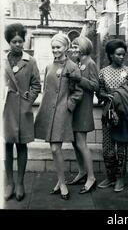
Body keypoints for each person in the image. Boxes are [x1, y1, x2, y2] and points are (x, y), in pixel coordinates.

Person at [34, 33, 83, 200]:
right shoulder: (49, 66)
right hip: (49, 112)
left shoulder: (72, 66)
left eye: (58, 47)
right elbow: (46, 88)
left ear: (66, 48)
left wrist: (68, 105)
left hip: (63, 111)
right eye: (53, 47)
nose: (55, 50)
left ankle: (62, 184)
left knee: (55, 148)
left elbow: (78, 91)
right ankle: (60, 181)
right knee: (54, 149)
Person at [3, 23, 41, 201]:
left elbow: (36, 85)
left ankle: (20, 183)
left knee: (22, 145)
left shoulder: (30, 61)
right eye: (14, 41)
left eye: (20, 41)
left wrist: (28, 101)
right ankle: (9, 182)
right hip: (6, 108)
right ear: (8, 42)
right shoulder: (3, 61)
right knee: (7, 145)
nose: (18, 45)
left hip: (23, 109)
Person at [97, 39, 128, 193]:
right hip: (108, 113)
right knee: (107, 147)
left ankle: (120, 178)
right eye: (118, 54)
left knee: (121, 147)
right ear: (110, 55)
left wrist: (122, 95)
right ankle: (110, 176)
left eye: (123, 54)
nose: (122, 57)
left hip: (124, 114)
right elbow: (99, 92)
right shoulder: (103, 72)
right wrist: (106, 95)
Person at [67, 36, 99, 193]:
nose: (73, 50)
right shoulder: (79, 63)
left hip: (84, 108)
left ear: (84, 47)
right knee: (75, 142)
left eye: (75, 47)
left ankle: (91, 177)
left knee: (81, 142)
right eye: (72, 47)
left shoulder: (90, 63)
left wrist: (79, 79)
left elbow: (95, 86)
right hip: (76, 107)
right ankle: (82, 171)